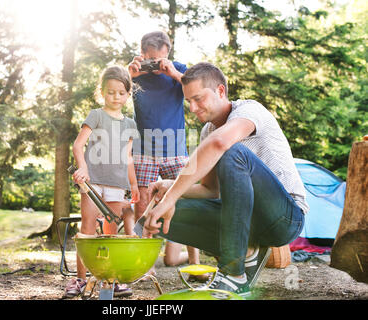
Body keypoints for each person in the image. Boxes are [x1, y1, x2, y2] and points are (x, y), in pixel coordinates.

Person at [143, 62, 308, 297]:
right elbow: (210, 190)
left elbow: (220, 144)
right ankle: (248, 253)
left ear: (220, 91)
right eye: (188, 101)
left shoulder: (249, 111)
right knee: (155, 215)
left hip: (284, 217)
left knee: (232, 151)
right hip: (247, 221)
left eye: (198, 99)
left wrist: (173, 195)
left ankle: (233, 273)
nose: (192, 108)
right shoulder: (208, 131)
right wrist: (167, 191)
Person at [128, 31, 201, 273]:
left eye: (158, 61)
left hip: (176, 149)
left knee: (187, 199)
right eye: (150, 60)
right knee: (142, 205)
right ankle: (144, 264)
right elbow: (114, 90)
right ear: (142, 54)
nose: (154, 66)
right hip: (144, 150)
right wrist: (130, 73)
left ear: (167, 53)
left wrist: (174, 74)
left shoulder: (180, 70)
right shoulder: (136, 72)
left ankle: (195, 263)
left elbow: (197, 91)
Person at [64, 65, 140, 299]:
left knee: (110, 233)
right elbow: (78, 146)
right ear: (102, 92)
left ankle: (110, 280)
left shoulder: (130, 125)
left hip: (117, 185)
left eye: (120, 93)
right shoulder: (96, 115)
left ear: (128, 94)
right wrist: (83, 167)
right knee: (87, 230)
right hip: (92, 183)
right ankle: (80, 279)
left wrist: (134, 184)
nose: (115, 97)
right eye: (110, 92)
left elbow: (127, 158)